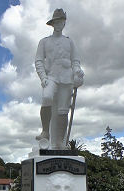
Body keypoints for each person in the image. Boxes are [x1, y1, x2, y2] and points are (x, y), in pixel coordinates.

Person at [35, 8, 84, 150]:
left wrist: (77, 72)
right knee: (47, 97)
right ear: (52, 24)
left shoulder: (70, 42)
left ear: (64, 24)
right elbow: (38, 61)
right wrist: (43, 77)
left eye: (61, 22)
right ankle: (45, 131)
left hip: (66, 78)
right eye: (56, 22)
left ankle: (60, 143)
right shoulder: (44, 42)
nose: (58, 24)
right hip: (51, 76)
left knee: (63, 110)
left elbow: (75, 61)